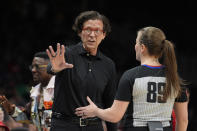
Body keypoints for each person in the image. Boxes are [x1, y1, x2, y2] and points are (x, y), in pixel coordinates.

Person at [75, 26, 188, 131]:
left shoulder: (131, 76)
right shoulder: (175, 79)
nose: (135, 46)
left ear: (142, 47)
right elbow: (183, 121)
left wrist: (96, 111)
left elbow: (114, 116)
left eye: (136, 43)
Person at [46, 10, 117, 131]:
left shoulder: (108, 64)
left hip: (94, 126)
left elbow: (109, 102)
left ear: (104, 34)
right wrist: (54, 69)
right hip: (64, 125)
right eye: (88, 29)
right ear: (80, 32)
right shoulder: (66, 54)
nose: (92, 35)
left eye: (97, 31)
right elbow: (51, 69)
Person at [0, 52, 55, 131]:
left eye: (37, 67)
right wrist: (11, 110)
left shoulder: (62, 88)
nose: (33, 70)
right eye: (32, 67)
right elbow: (29, 119)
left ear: (50, 67)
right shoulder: (35, 92)